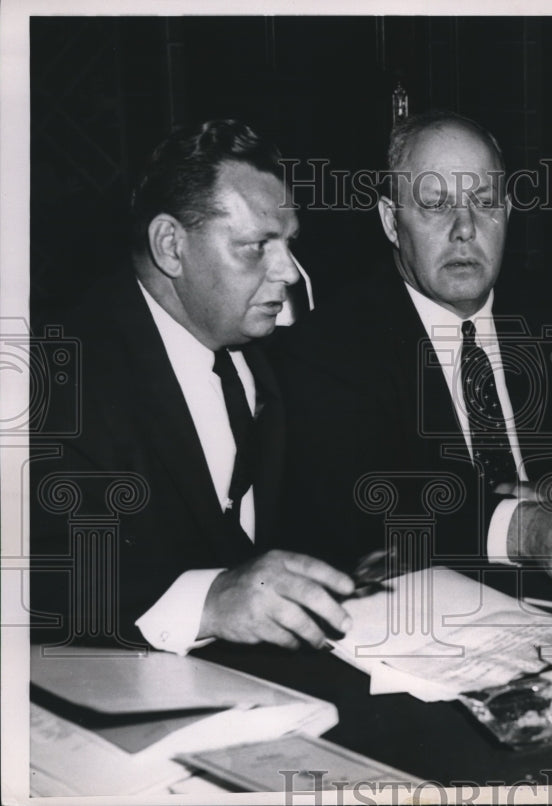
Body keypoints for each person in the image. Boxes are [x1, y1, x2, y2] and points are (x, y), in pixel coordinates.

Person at [276, 110, 552, 599]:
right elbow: (370, 501)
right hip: (432, 615)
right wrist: (528, 529)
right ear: (391, 220)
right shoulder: (331, 344)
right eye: (435, 205)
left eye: (484, 202)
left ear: (508, 212)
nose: (465, 228)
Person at [31, 120, 356, 654]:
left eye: (288, 243)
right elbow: (39, 576)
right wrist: (209, 601)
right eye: (256, 246)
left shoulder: (275, 354)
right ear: (170, 246)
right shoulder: (55, 377)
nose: (290, 273)